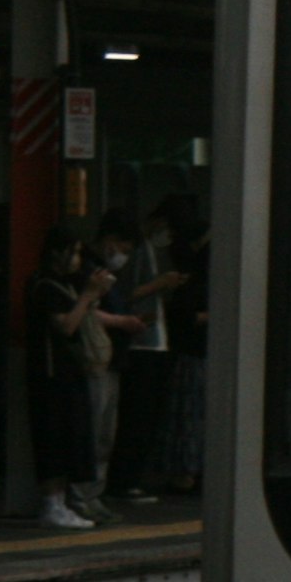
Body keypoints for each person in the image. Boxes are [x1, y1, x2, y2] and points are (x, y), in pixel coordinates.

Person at [28, 223, 110, 531]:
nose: (77, 259)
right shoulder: (45, 286)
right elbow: (66, 326)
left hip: (69, 371)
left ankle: (60, 502)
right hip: (51, 372)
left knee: (70, 436)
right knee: (53, 436)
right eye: (73, 252)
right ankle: (51, 502)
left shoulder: (67, 285)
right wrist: (89, 295)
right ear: (57, 253)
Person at [88, 210, 159, 506]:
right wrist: (122, 322)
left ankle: (95, 495)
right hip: (97, 360)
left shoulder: (108, 274)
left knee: (106, 434)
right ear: (110, 240)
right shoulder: (93, 272)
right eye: (124, 249)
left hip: (113, 359)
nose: (124, 256)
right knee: (95, 432)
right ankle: (85, 495)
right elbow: (86, 312)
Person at [152, 193, 207, 495]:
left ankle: (184, 469)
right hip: (197, 348)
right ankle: (190, 469)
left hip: (187, 348)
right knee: (196, 415)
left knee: (186, 415)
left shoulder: (185, 259)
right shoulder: (205, 253)